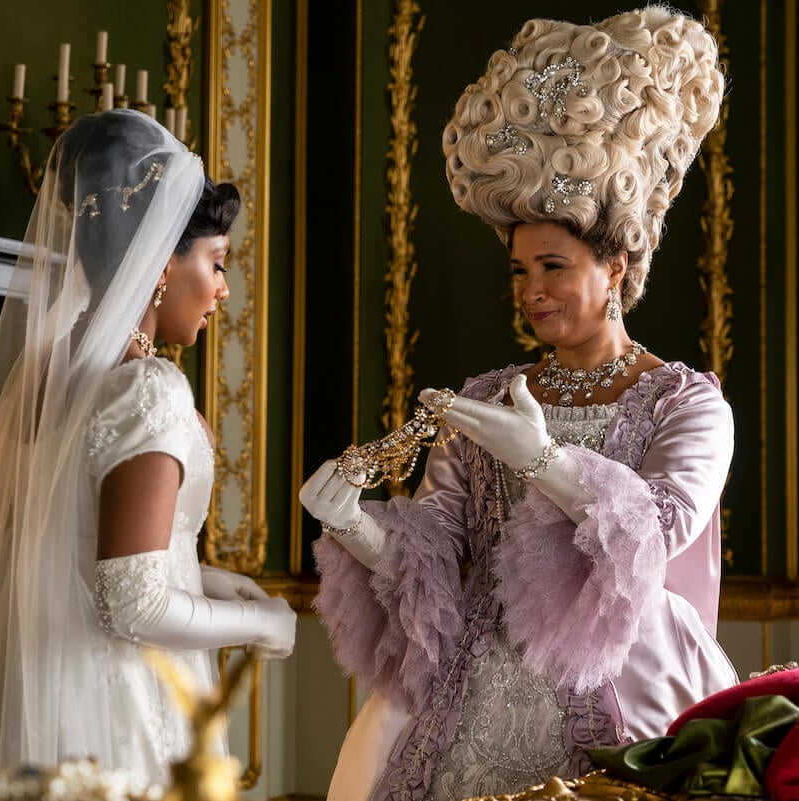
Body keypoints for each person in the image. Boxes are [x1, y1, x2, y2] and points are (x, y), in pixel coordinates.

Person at [299, 8, 738, 801]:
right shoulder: (486, 398)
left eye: (554, 266)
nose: (531, 291)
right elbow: (438, 550)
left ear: (617, 262)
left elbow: (662, 528)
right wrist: (355, 524)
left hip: (626, 676)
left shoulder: (685, 403)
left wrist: (545, 459)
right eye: (517, 271)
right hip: (471, 692)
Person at [0, 109, 296, 794]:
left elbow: (72, 543)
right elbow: (133, 604)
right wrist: (260, 620)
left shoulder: (44, 377)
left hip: (32, 682)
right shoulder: (148, 388)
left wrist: (206, 579)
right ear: (159, 264)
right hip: (116, 703)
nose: (223, 289)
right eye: (217, 262)